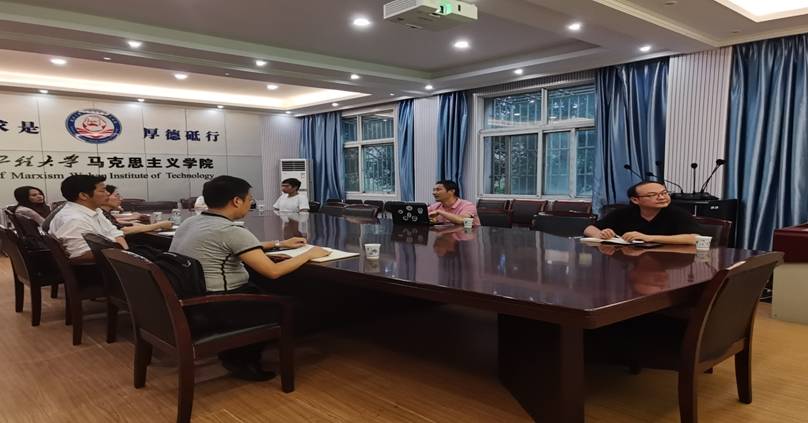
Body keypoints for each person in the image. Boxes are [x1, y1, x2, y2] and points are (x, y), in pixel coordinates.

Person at [169, 175, 329, 381]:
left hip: (191, 297)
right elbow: (273, 271)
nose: (250, 203)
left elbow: (230, 245)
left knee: (265, 289)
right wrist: (309, 254)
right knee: (293, 305)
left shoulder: (191, 222)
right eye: (249, 199)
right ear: (237, 201)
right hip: (221, 303)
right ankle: (243, 360)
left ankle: (236, 352)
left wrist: (279, 244)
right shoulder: (231, 230)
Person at [584, 181, 700, 245]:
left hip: (667, 259)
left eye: (664, 193)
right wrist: (601, 235)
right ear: (635, 200)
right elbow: (589, 229)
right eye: (652, 195)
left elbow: (695, 238)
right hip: (631, 258)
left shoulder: (678, 213)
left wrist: (648, 238)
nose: (662, 197)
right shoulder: (623, 213)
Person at [48, 175, 127, 262]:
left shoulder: (94, 210)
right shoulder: (74, 220)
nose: (108, 193)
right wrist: (122, 253)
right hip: (100, 265)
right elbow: (82, 254)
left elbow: (114, 233)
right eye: (103, 191)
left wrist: (124, 252)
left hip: (115, 255)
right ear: (83, 195)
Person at [100, 185, 173, 234]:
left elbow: (116, 223)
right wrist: (159, 225)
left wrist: (132, 223)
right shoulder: (100, 213)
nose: (121, 199)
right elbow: (124, 230)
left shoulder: (103, 212)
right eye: (117, 196)